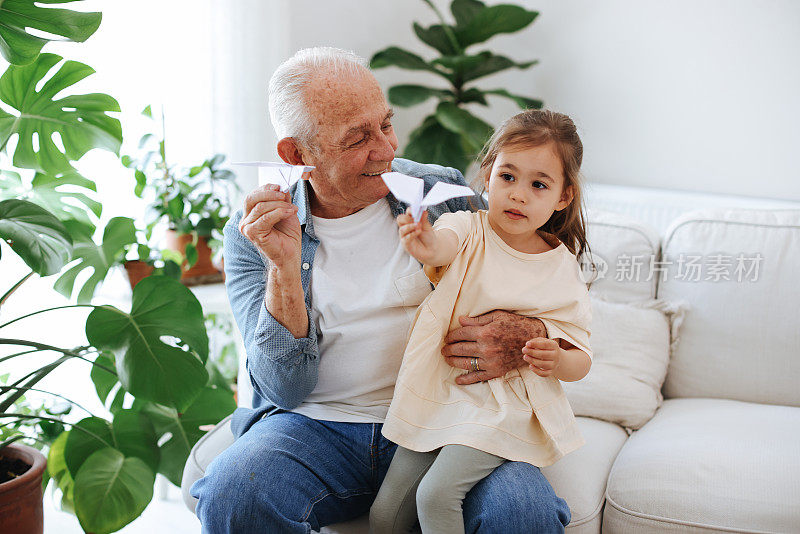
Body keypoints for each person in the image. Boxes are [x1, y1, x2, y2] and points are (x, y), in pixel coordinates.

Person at [190, 47, 572, 533]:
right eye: (357, 139)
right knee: (235, 495)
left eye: (385, 124)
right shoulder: (253, 236)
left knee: (521, 512)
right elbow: (283, 388)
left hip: (447, 421)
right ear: (296, 154)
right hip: (315, 427)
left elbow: (534, 275)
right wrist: (283, 268)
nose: (387, 149)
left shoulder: (441, 193)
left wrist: (523, 334)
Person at [369, 109, 592, 534]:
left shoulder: (560, 268)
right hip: (440, 392)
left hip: (502, 406)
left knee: (436, 496)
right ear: (487, 174)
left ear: (563, 196)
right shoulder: (467, 228)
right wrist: (424, 241)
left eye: (538, 184)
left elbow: (580, 358)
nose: (519, 195)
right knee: (386, 515)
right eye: (508, 177)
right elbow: (441, 248)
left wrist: (554, 359)